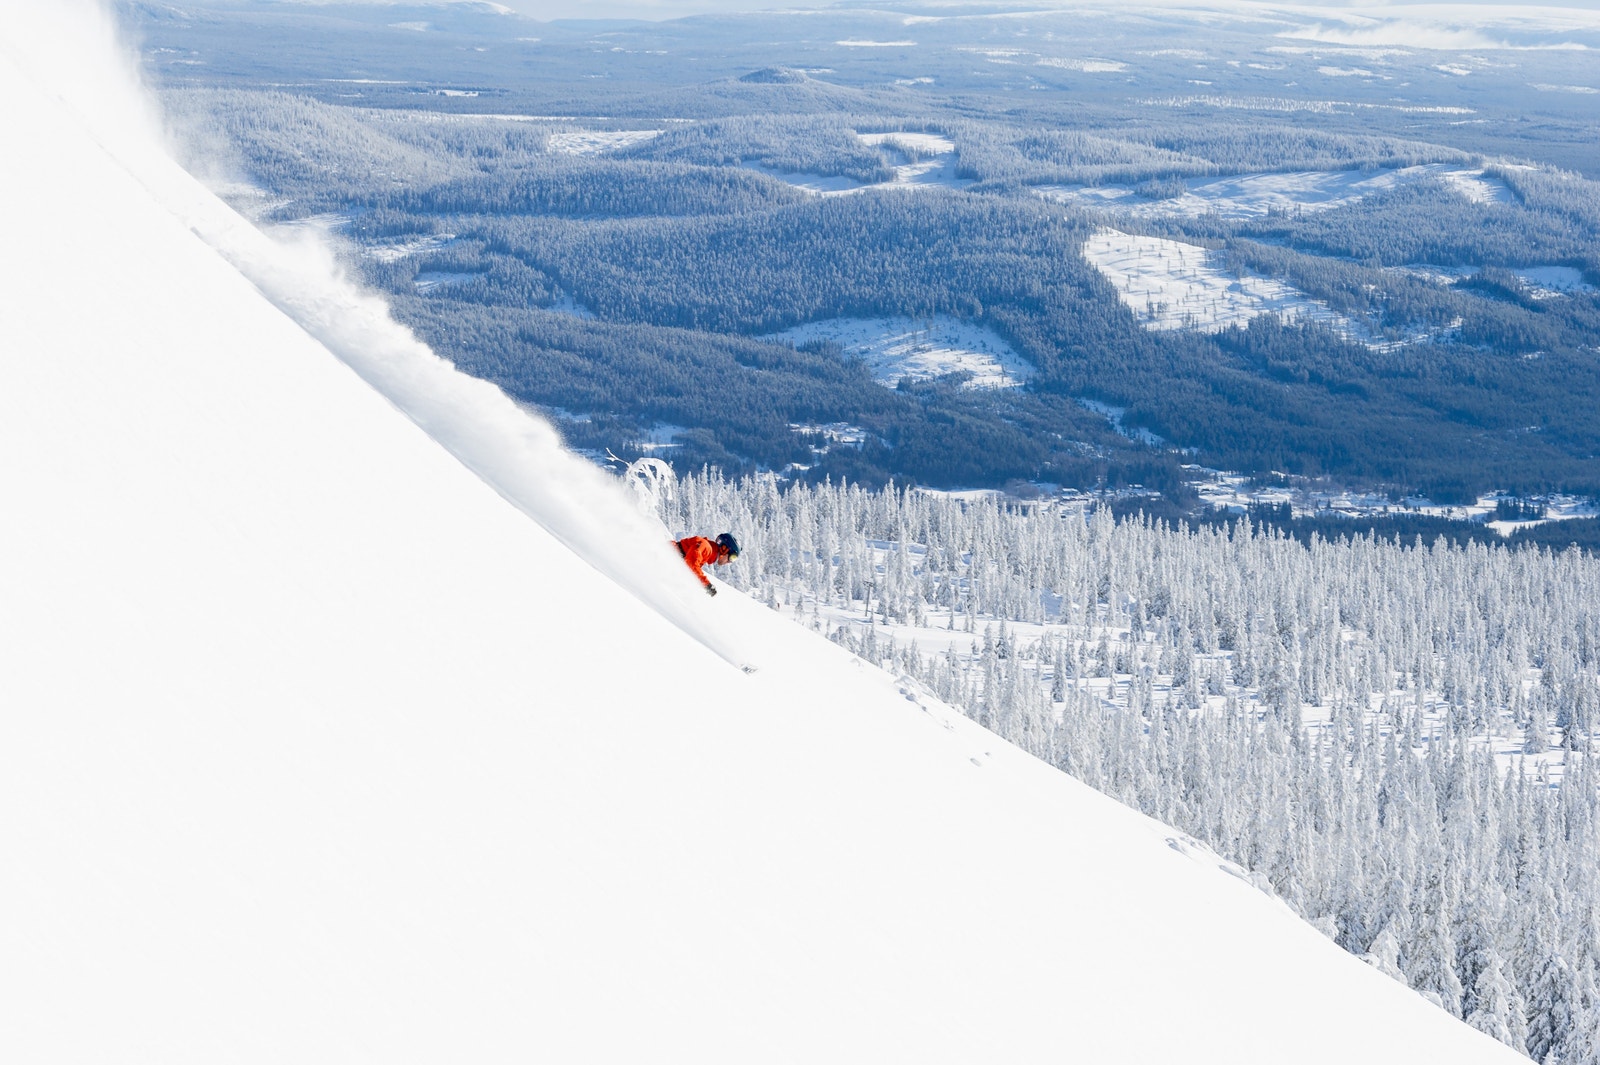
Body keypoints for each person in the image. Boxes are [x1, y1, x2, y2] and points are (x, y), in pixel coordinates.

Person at [674, 532, 740, 596]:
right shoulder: (706, 547)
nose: (729, 562)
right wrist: (706, 584)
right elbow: (691, 562)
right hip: (671, 555)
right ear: (724, 549)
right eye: (732, 557)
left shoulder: (707, 549)